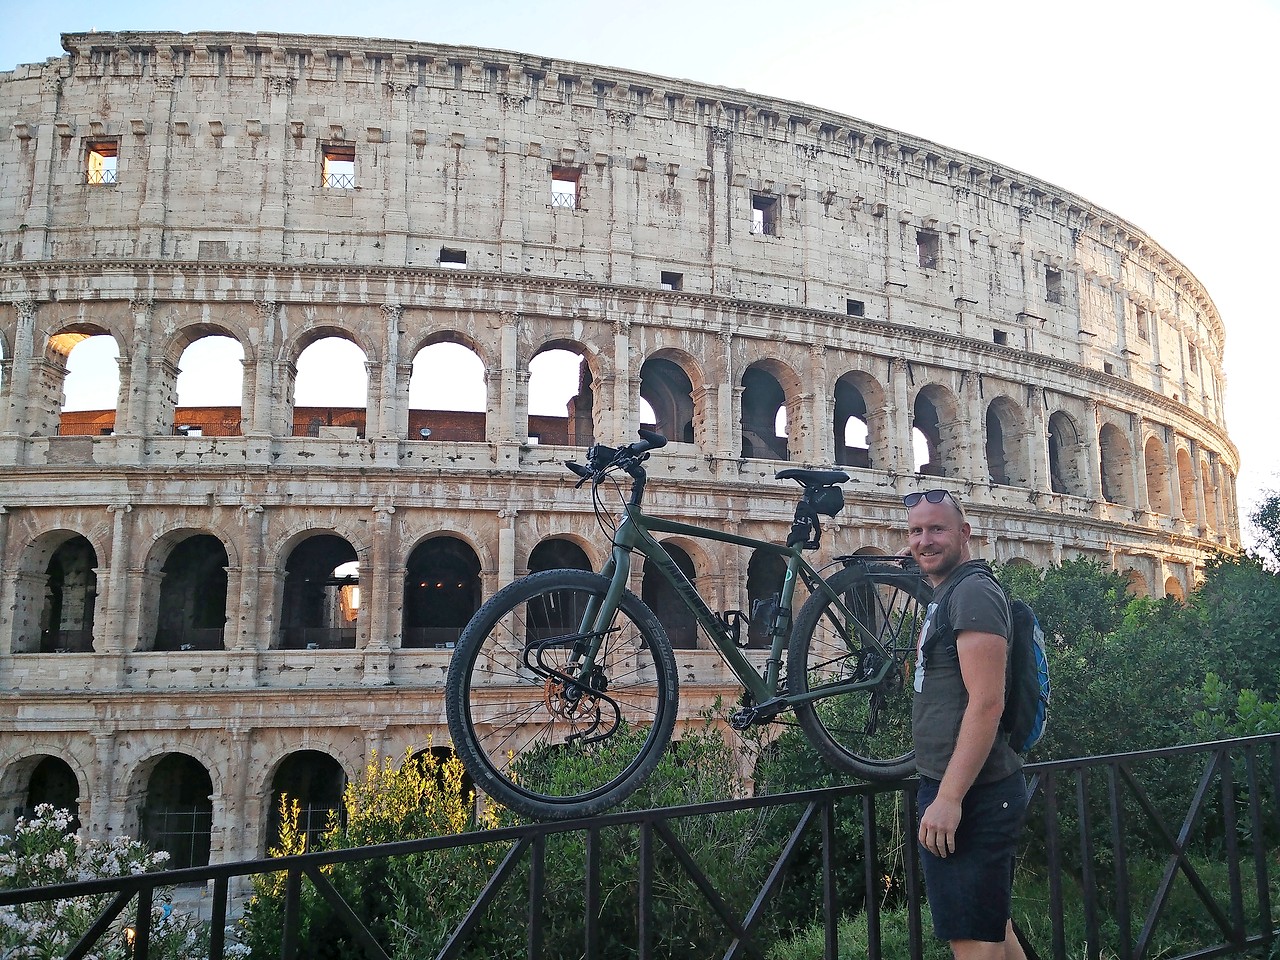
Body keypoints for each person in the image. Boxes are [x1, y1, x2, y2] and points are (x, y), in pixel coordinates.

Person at [906, 488, 1027, 960]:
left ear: (964, 533)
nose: (924, 541)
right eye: (916, 531)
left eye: (937, 529)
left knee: (973, 943)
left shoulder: (973, 592)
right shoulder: (950, 592)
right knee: (992, 931)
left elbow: (987, 703)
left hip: (972, 794)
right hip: (974, 789)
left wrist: (949, 798)